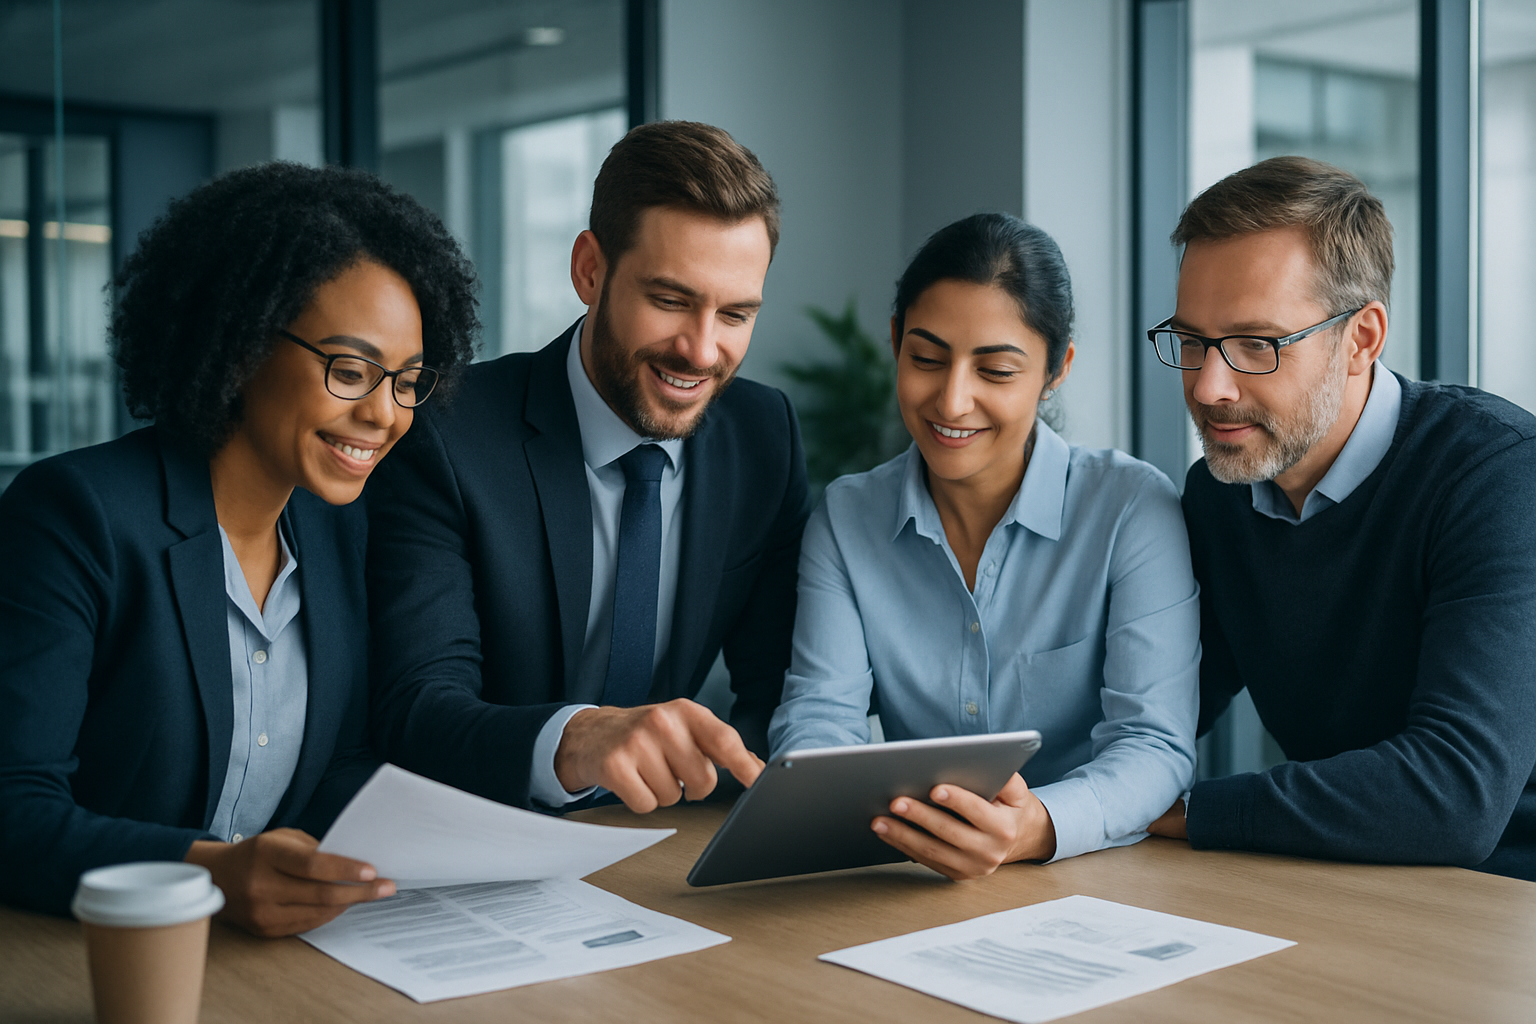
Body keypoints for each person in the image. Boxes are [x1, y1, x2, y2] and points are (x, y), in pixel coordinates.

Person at [0, 162, 479, 934]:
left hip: (269, 967)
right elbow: (13, 812)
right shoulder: (74, 516)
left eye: (408, 382)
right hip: (88, 956)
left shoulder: (338, 530)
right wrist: (210, 873)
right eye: (351, 371)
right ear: (242, 341)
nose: (384, 415)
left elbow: (336, 766)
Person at [367, 120, 810, 814]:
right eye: (670, 301)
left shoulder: (763, 436)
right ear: (589, 270)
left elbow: (783, 688)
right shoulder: (448, 435)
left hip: (673, 843)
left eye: (736, 314)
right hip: (489, 836)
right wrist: (575, 743)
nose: (700, 350)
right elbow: (416, 708)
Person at [768, 213, 1199, 880]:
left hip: (1097, 877)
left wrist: (1035, 827)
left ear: (1056, 371)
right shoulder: (848, 518)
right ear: (895, 342)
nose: (952, 399)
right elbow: (819, 720)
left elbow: (1154, 746)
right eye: (926, 359)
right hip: (911, 875)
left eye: (995, 370)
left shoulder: (1130, 510)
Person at [1144, 156, 1536, 882]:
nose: (1209, 386)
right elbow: (1160, 707)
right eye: (1192, 340)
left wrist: (1191, 813)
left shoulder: (1502, 478)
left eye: (1256, 344)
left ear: (1362, 339)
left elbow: (1456, 793)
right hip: (1340, 880)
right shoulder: (1220, 494)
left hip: (1507, 905)